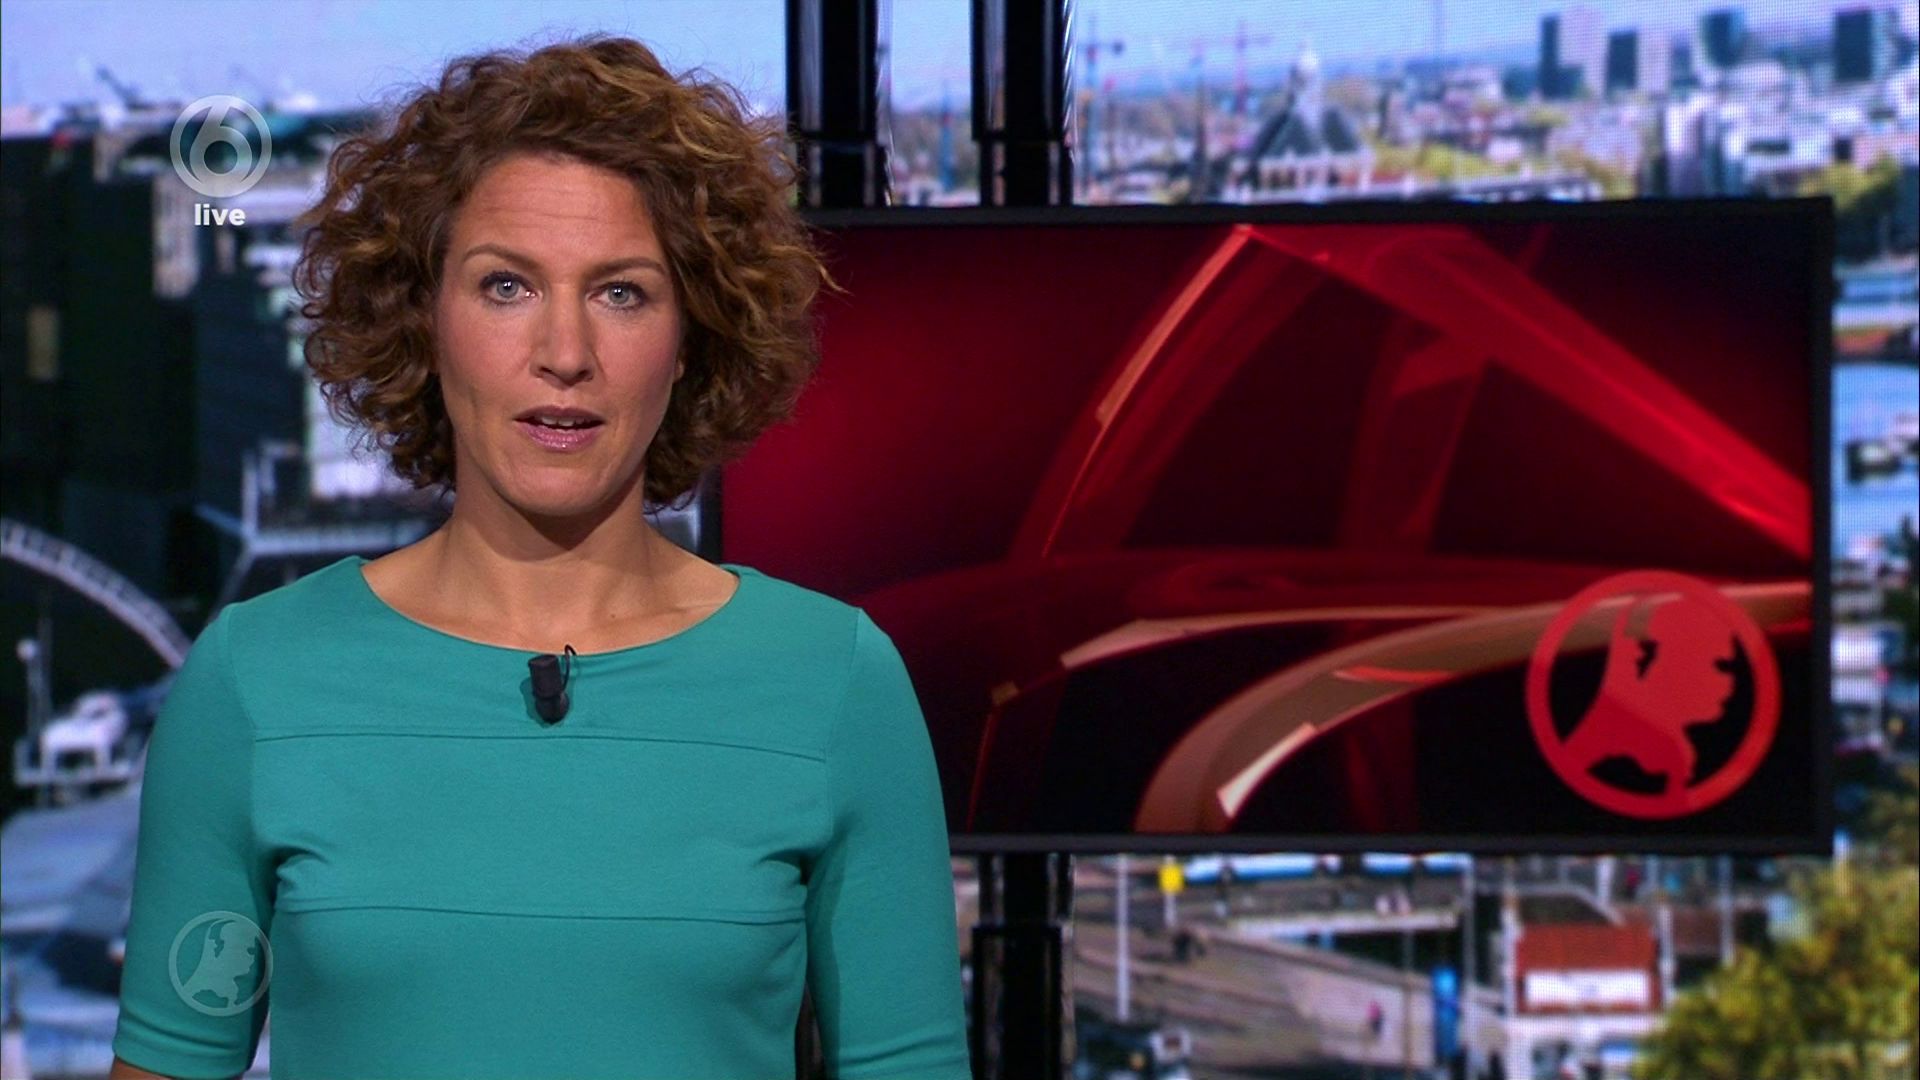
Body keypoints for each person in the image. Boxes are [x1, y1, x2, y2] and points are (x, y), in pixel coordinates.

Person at [108, 34, 970, 1080]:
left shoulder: (835, 682)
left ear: (691, 339)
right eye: (507, 286)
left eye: (622, 293)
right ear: (423, 318)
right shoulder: (254, 679)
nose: (565, 353)